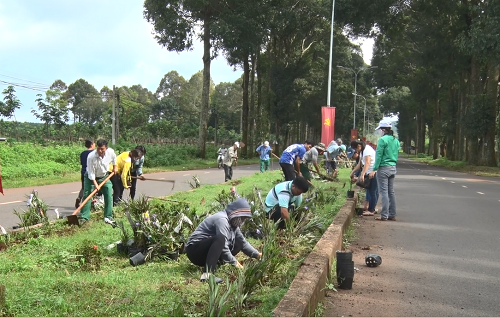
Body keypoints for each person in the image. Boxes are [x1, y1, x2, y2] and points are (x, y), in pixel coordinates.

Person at [185, 198, 262, 284]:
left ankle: (216, 263)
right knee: (220, 238)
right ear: (236, 213)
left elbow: (243, 243)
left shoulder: (233, 224)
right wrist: (235, 263)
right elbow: (223, 246)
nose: (242, 221)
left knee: (239, 243)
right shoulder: (222, 219)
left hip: (206, 252)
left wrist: (257, 255)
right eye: (242, 218)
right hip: (194, 250)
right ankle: (207, 275)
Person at [80, 139, 117, 226]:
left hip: (104, 176)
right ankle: (84, 217)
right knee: (87, 194)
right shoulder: (91, 156)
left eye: (102, 149)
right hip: (90, 177)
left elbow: (114, 158)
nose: (100, 151)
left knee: (108, 192)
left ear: (106, 148)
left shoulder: (110, 152)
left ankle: (108, 216)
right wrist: (96, 185)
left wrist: (115, 167)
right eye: (98, 148)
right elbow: (91, 173)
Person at [369, 119, 400, 221]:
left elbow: (379, 156)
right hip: (393, 167)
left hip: (383, 168)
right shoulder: (396, 140)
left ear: (383, 130)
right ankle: (392, 214)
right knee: (391, 192)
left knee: (384, 192)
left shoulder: (382, 140)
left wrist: (374, 169)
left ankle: (384, 215)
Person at [350, 139, 378, 216]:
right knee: (369, 190)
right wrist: (353, 172)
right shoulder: (363, 150)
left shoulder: (367, 150)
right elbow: (360, 163)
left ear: (359, 146)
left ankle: (371, 210)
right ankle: (370, 209)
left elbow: (368, 162)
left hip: (373, 172)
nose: (356, 151)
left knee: (372, 191)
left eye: (356, 149)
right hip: (369, 172)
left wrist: (362, 174)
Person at [75, 139, 95, 208]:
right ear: (92, 144)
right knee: (93, 187)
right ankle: (91, 202)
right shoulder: (94, 153)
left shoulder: (83, 153)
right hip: (91, 172)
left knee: (84, 187)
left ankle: (79, 198)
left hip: (83, 171)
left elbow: (81, 163)